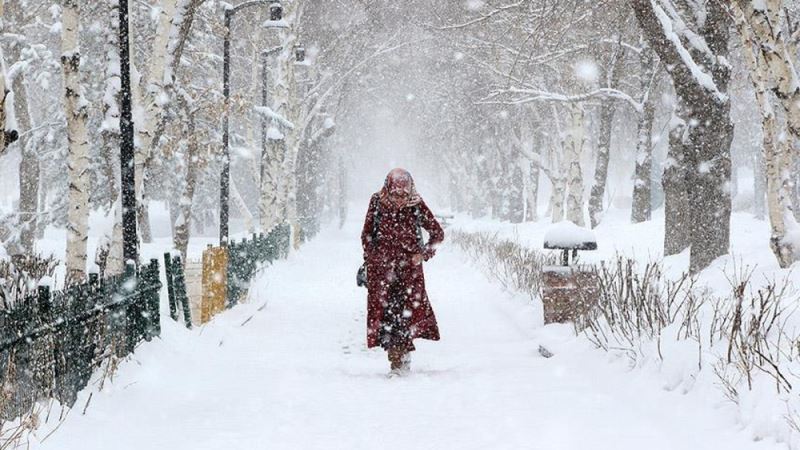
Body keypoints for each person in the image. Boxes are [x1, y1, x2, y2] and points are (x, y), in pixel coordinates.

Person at [361, 168, 445, 375]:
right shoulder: (377, 202)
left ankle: (400, 359)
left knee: (405, 315)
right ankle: (396, 357)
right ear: (388, 189)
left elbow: (437, 234)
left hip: (409, 274)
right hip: (382, 272)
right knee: (386, 316)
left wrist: (423, 254)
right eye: (395, 194)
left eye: (403, 194)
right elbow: (366, 235)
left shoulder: (416, 205)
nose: (399, 199)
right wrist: (373, 258)